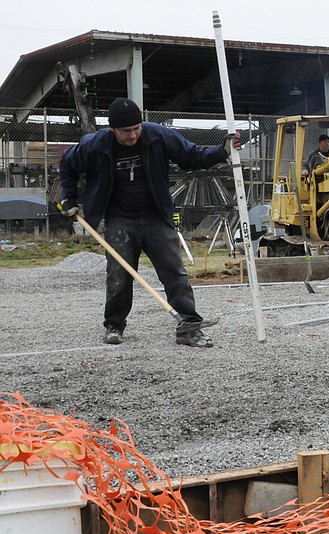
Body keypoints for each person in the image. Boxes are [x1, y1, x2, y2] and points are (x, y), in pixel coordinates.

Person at [58, 97, 240, 348]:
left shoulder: (158, 136)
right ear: (112, 130)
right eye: (125, 132)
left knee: (174, 272)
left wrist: (222, 151)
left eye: (135, 129)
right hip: (119, 218)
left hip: (156, 215)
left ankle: (189, 326)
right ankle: (114, 325)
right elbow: (67, 163)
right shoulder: (95, 145)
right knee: (119, 273)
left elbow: (191, 156)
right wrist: (68, 197)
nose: (132, 136)